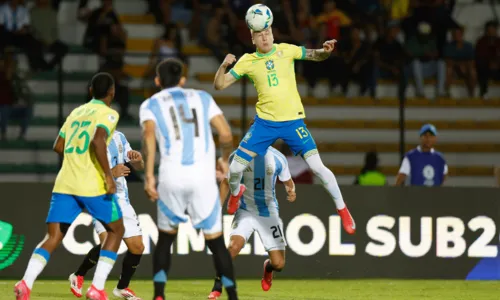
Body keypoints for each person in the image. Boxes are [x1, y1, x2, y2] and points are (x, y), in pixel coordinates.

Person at [213, 26, 356, 235]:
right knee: (234, 170)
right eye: (260, 35)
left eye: (268, 33)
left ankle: (343, 209)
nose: (265, 38)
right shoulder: (247, 60)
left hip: (293, 122)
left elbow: (315, 56)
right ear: (253, 39)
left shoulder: (286, 50)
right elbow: (219, 85)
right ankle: (236, 192)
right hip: (264, 124)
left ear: (273, 34)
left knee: (318, 167)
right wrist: (223, 66)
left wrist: (325, 51)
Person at [14, 72, 123, 300]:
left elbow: (58, 145)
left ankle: (26, 283)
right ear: (112, 92)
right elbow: (98, 140)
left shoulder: (76, 112)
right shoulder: (109, 113)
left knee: (52, 237)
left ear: (91, 91)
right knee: (116, 230)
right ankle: (97, 288)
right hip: (92, 185)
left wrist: (76, 156)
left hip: (64, 183)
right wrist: (107, 176)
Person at [139, 58, 238, 300]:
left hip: (171, 176)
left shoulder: (150, 104)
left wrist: (149, 176)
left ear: (157, 81)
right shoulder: (202, 98)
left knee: (165, 239)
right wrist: (224, 159)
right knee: (216, 243)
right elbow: (225, 133)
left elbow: (149, 139)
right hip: (203, 179)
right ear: (183, 80)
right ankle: (233, 297)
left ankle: (159, 295)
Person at [208, 146, 296, 299]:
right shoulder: (238, 156)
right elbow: (226, 182)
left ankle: (268, 268)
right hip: (245, 210)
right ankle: (217, 286)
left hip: (269, 213)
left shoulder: (278, 158)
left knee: (279, 264)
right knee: (233, 247)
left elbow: (288, 181)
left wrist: (291, 190)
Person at [69, 130, 145, 300]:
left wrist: (138, 160)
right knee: (108, 243)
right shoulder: (86, 139)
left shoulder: (119, 137)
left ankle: (122, 288)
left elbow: (139, 166)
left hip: (122, 200)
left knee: (137, 247)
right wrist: (111, 172)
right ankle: (81, 277)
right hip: (100, 198)